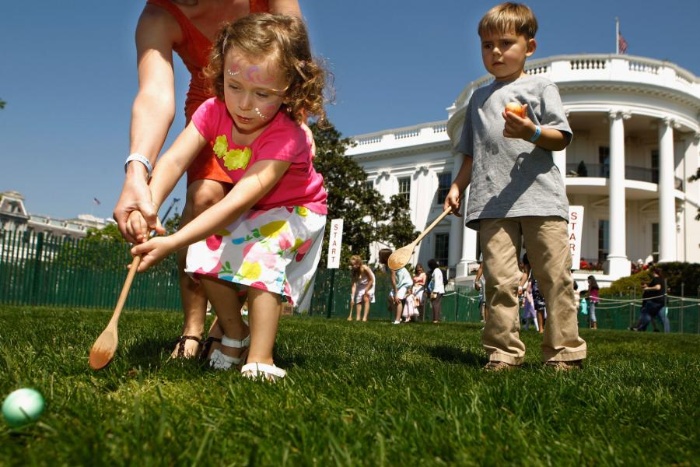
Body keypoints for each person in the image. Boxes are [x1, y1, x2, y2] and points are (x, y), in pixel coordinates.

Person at [126, 13, 328, 381]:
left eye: (263, 94)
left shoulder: (286, 137)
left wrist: (171, 241)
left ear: (291, 90)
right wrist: (148, 202)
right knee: (202, 252)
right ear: (221, 75)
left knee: (262, 258)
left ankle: (261, 358)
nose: (245, 104)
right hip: (257, 210)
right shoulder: (211, 111)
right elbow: (173, 160)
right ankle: (235, 334)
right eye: (234, 86)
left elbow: (237, 200)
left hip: (298, 210)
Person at [444, 2, 586, 371]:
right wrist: (458, 186)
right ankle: (503, 353)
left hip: (541, 199)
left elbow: (561, 138)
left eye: (506, 43)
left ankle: (563, 353)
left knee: (555, 279)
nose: (495, 52)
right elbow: (472, 154)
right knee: (500, 283)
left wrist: (531, 131)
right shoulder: (478, 99)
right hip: (491, 204)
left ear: (529, 47)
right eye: (487, 45)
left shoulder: (541, 87)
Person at [378, 249, 413, 324]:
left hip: (404, 282)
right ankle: (398, 317)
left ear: (385, 257)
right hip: (399, 283)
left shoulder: (392, 265)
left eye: (380, 256)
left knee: (397, 300)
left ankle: (397, 320)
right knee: (390, 298)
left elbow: (393, 279)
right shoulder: (387, 265)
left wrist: (396, 293)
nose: (379, 258)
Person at [630, 267, 666, 332]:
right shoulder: (662, 279)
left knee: (646, 315)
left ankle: (639, 328)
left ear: (654, 272)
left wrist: (647, 288)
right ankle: (655, 329)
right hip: (660, 301)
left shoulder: (656, 279)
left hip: (653, 302)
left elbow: (657, 287)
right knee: (658, 317)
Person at [349, 255, 375, 322]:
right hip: (361, 284)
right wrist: (352, 298)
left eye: (354, 264)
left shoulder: (365, 268)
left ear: (359, 263)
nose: (353, 266)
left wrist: (366, 289)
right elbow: (353, 285)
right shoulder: (353, 271)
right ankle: (358, 318)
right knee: (358, 300)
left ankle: (364, 318)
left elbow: (371, 280)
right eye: (352, 265)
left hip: (370, 283)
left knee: (366, 297)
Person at [427, 259, 445, 324]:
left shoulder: (436, 271)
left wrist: (434, 291)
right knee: (437, 304)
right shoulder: (438, 270)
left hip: (437, 290)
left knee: (435, 304)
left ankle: (435, 319)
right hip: (440, 290)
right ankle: (437, 318)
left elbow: (436, 281)